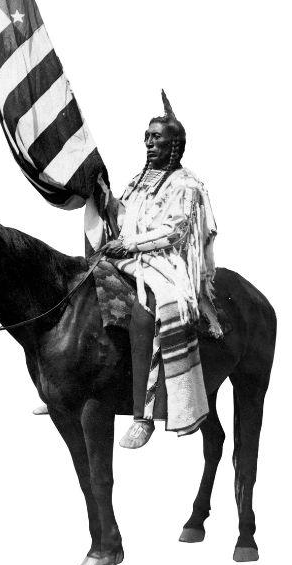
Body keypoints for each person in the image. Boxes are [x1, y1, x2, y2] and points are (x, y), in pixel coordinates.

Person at [103, 90, 221, 449]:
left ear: (174, 144)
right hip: (130, 257)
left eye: (156, 137)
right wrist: (101, 197)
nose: (149, 143)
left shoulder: (187, 184)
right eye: (147, 137)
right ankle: (76, 383)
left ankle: (144, 416)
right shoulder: (139, 180)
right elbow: (123, 217)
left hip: (169, 265)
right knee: (88, 287)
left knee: (144, 315)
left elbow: (175, 231)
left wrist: (130, 244)